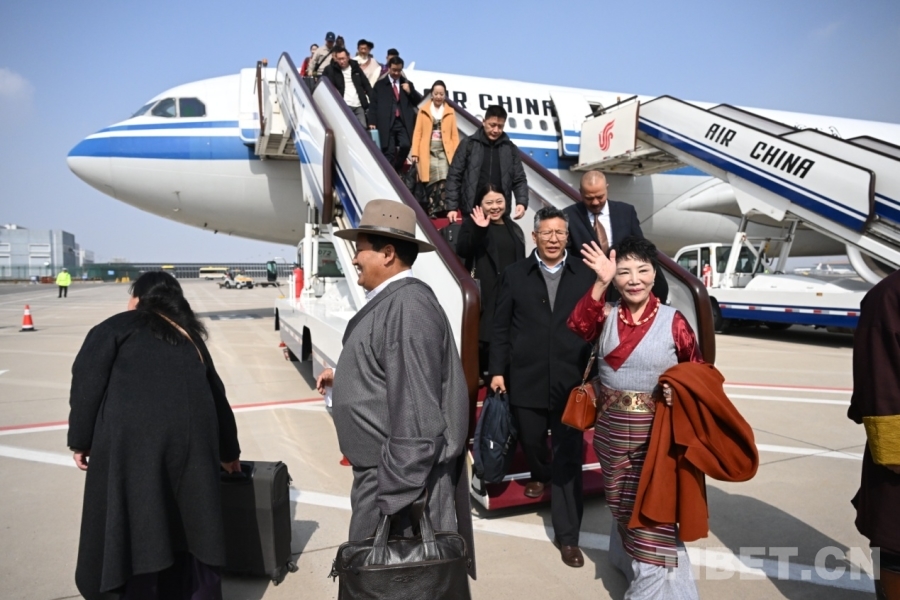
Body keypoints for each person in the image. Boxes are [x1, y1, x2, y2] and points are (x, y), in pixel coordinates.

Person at [314, 200, 474, 574]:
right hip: (387, 477)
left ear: (387, 254)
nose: (355, 259)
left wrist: (394, 498)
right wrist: (347, 377)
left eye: (360, 250)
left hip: (397, 483)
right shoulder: (397, 303)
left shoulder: (408, 307)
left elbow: (418, 414)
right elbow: (394, 373)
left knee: (393, 584)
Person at [67, 271, 241, 600]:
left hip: (131, 446)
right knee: (191, 520)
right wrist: (229, 453)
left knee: (138, 521)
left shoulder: (114, 328)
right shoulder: (189, 334)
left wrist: (81, 440)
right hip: (191, 446)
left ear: (139, 298)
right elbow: (217, 396)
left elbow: (87, 384)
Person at [567, 236, 703, 597]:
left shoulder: (675, 322)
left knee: (653, 519)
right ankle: (629, 563)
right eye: (624, 272)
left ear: (654, 273)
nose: (634, 279)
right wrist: (600, 283)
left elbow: (699, 373)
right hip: (610, 435)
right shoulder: (606, 313)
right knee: (624, 508)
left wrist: (679, 389)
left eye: (642, 270)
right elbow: (579, 325)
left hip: (656, 438)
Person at [489, 206, 595, 568]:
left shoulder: (586, 275)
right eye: (546, 233)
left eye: (560, 233)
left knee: (568, 457)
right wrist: (497, 370)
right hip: (526, 377)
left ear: (568, 237)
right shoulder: (515, 274)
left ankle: (568, 537)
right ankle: (539, 472)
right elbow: (500, 326)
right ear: (534, 236)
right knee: (531, 439)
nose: (553, 239)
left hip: (571, 380)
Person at [848, 269, 900, 599]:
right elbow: (881, 387)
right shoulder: (889, 296)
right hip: (898, 467)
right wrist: (895, 455)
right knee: (895, 544)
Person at [564, 170, 668, 303]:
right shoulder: (569, 216)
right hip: (586, 291)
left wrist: (659, 286)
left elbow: (642, 249)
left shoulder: (626, 212)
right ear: (580, 192)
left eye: (600, 196)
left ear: (607, 188)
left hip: (621, 290)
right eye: (589, 198)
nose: (595, 202)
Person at [456, 184, 525, 375]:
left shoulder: (514, 228)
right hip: (487, 291)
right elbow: (463, 249)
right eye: (489, 203)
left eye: (499, 201)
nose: (495, 207)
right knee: (486, 338)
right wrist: (479, 229)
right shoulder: (472, 224)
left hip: (510, 291)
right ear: (480, 204)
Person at [445, 105, 528, 224]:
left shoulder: (510, 149)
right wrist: (452, 207)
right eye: (492, 125)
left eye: (500, 126)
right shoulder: (468, 144)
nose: (496, 130)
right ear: (484, 122)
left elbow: (519, 179)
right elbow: (454, 176)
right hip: (472, 213)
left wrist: (521, 202)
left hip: (499, 214)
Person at [410, 79, 460, 216]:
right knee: (431, 179)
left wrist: (456, 153)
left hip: (444, 151)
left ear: (445, 95)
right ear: (431, 94)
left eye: (441, 94)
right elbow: (417, 133)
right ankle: (432, 208)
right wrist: (415, 153)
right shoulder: (423, 111)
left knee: (443, 176)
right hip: (428, 150)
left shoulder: (450, 111)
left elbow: (454, 135)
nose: (438, 96)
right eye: (436, 94)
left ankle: (442, 208)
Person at [367, 57, 422, 171]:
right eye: (394, 70)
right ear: (389, 68)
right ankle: (390, 174)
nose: (396, 73)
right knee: (389, 151)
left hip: (403, 122)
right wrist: (372, 121)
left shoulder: (407, 84)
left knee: (406, 145)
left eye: (399, 70)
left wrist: (410, 91)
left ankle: (397, 168)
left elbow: (418, 101)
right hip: (386, 122)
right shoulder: (380, 85)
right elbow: (373, 104)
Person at [321, 46, 372, 128]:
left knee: (363, 128)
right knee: (347, 128)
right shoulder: (331, 70)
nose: (342, 61)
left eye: (343, 58)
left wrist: (373, 102)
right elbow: (324, 85)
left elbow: (366, 85)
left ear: (348, 57)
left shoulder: (356, 68)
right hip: (343, 105)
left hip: (359, 105)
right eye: (339, 59)